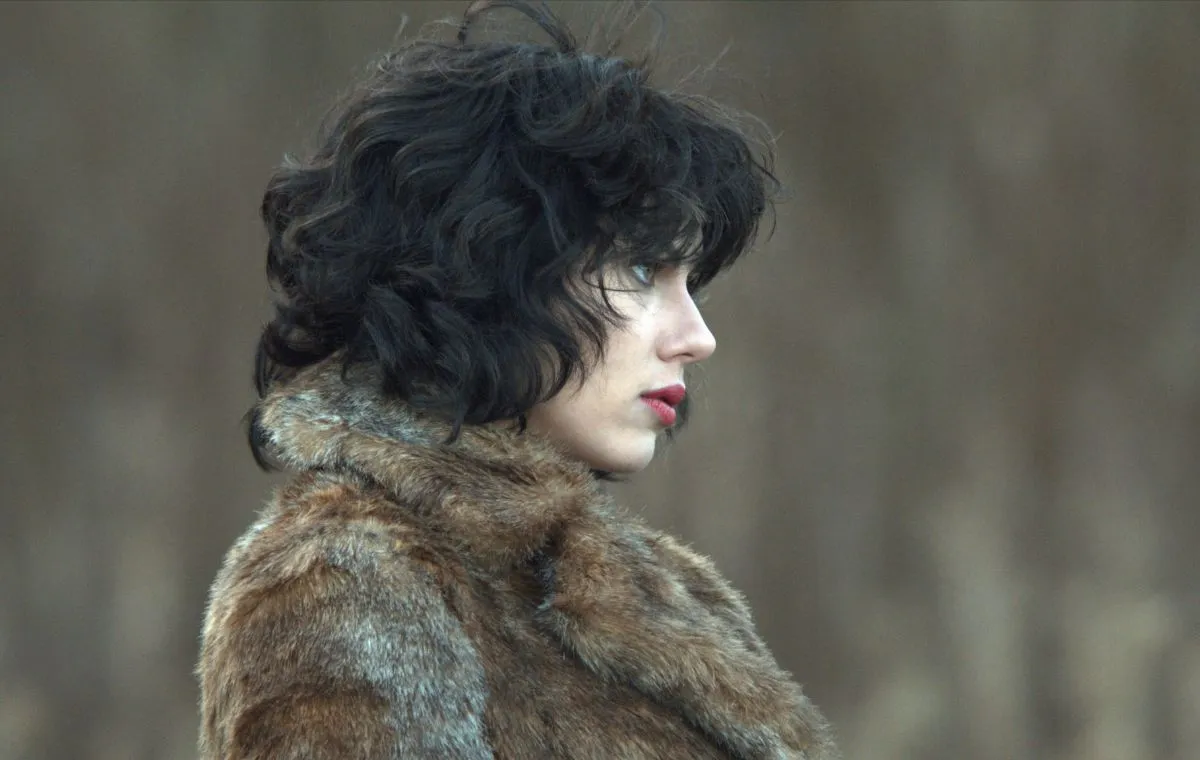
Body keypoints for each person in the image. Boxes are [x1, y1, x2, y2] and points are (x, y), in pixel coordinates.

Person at [196, 1, 838, 757]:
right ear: (487, 273)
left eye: (691, 283)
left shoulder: (657, 588)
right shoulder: (338, 580)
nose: (697, 338)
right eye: (642, 270)